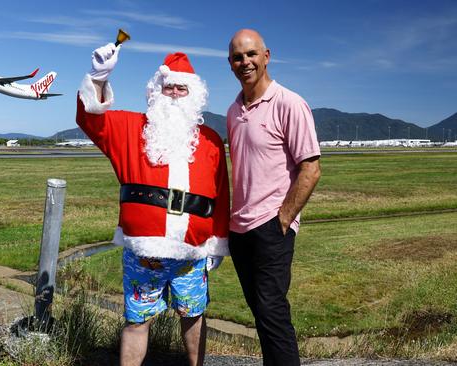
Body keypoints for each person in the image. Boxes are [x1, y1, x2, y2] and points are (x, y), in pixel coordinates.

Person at [76, 43, 229, 366]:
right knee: (136, 321)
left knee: (194, 316)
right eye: (167, 86)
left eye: (181, 87)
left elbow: (221, 194)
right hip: (143, 254)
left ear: (194, 94)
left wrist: (218, 243)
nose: (173, 93)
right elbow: (91, 120)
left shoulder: (212, 140)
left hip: (192, 253)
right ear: (156, 91)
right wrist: (99, 77)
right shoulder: (130, 129)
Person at [226, 29, 322, 365]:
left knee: (272, 311)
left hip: (270, 226)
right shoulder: (233, 111)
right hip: (238, 230)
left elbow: (310, 168)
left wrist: (283, 219)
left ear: (266, 56)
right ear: (230, 64)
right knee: (260, 312)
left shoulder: (289, 103)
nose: (245, 62)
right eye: (238, 57)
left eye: (251, 54)